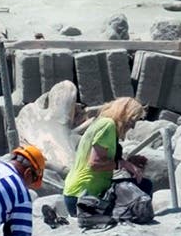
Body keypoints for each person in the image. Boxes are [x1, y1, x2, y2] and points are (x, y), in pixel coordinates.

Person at [64, 97, 151, 228]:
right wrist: (122, 165)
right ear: (124, 114)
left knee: (141, 186)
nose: (132, 126)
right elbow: (95, 163)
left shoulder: (101, 123)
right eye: (133, 120)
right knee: (144, 187)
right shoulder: (108, 126)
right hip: (82, 198)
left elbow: (102, 158)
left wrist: (128, 163)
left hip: (76, 194)